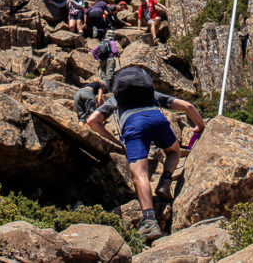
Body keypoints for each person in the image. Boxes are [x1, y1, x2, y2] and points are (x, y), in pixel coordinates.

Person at [86, 66, 206, 242]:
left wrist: (113, 140)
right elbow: (187, 106)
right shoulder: (152, 94)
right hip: (156, 119)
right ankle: (165, 179)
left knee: (140, 174)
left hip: (133, 125)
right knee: (173, 151)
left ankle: (149, 220)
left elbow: (92, 121)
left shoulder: (116, 99)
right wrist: (200, 126)